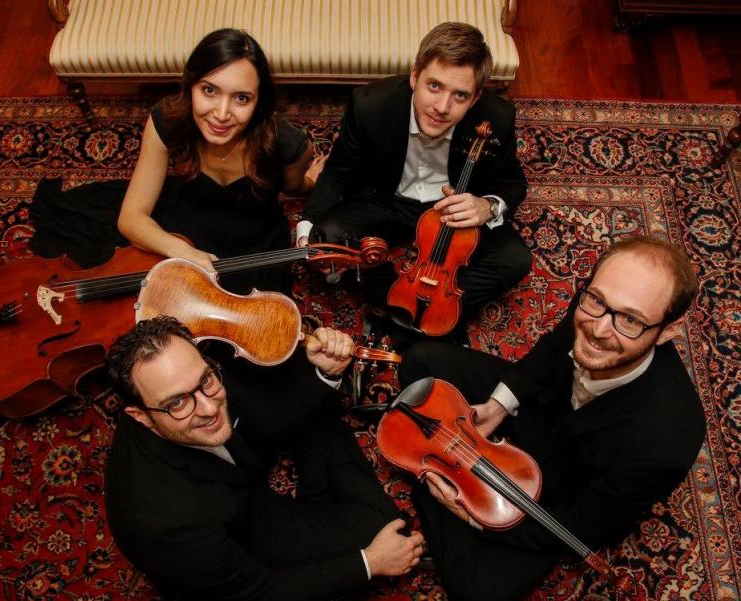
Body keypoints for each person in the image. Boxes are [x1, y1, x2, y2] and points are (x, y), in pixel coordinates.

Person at [398, 236, 705, 600]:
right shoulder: (596, 304)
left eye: (630, 320)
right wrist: (498, 406)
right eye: (596, 300)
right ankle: (443, 464)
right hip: (539, 412)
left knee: (479, 591)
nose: (598, 330)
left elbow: (582, 526)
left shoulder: (667, 444)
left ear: (668, 331)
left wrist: (466, 510)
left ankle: (433, 481)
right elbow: (551, 351)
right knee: (419, 363)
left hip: (561, 485)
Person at [104, 316, 424, 600]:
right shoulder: (169, 528)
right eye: (177, 403)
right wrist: (369, 562)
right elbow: (261, 591)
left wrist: (325, 372)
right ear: (140, 416)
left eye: (206, 380)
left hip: (242, 475)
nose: (210, 408)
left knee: (306, 391)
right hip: (241, 527)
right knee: (383, 528)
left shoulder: (184, 385)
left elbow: (263, 408)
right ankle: (319, 512)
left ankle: (316, 505)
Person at [298, 22, 531, 324]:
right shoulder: (369, 105)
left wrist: (487, 206)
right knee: (326, 239)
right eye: (434, 86)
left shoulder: (496, 118)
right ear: (414, 76)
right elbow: (336, 174)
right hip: (384, 200)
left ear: (475, 99)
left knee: (514, 259)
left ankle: (427, 311)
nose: (442, 107)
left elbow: (513, 182)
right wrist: (306, 229)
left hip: (449, 211)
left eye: (460, 96)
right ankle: (396, 300)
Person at [115, 28, 323, 294]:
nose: (222, 114)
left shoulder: (287, 142)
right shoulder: (166, 120)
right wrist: (182, 251)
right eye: (209, 90)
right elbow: (131, 217)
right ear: (190, 85)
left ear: (259, 102)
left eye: (241, 98)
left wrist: (311, 183)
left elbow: (293, 187)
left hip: (255, 246)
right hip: (185, 229)